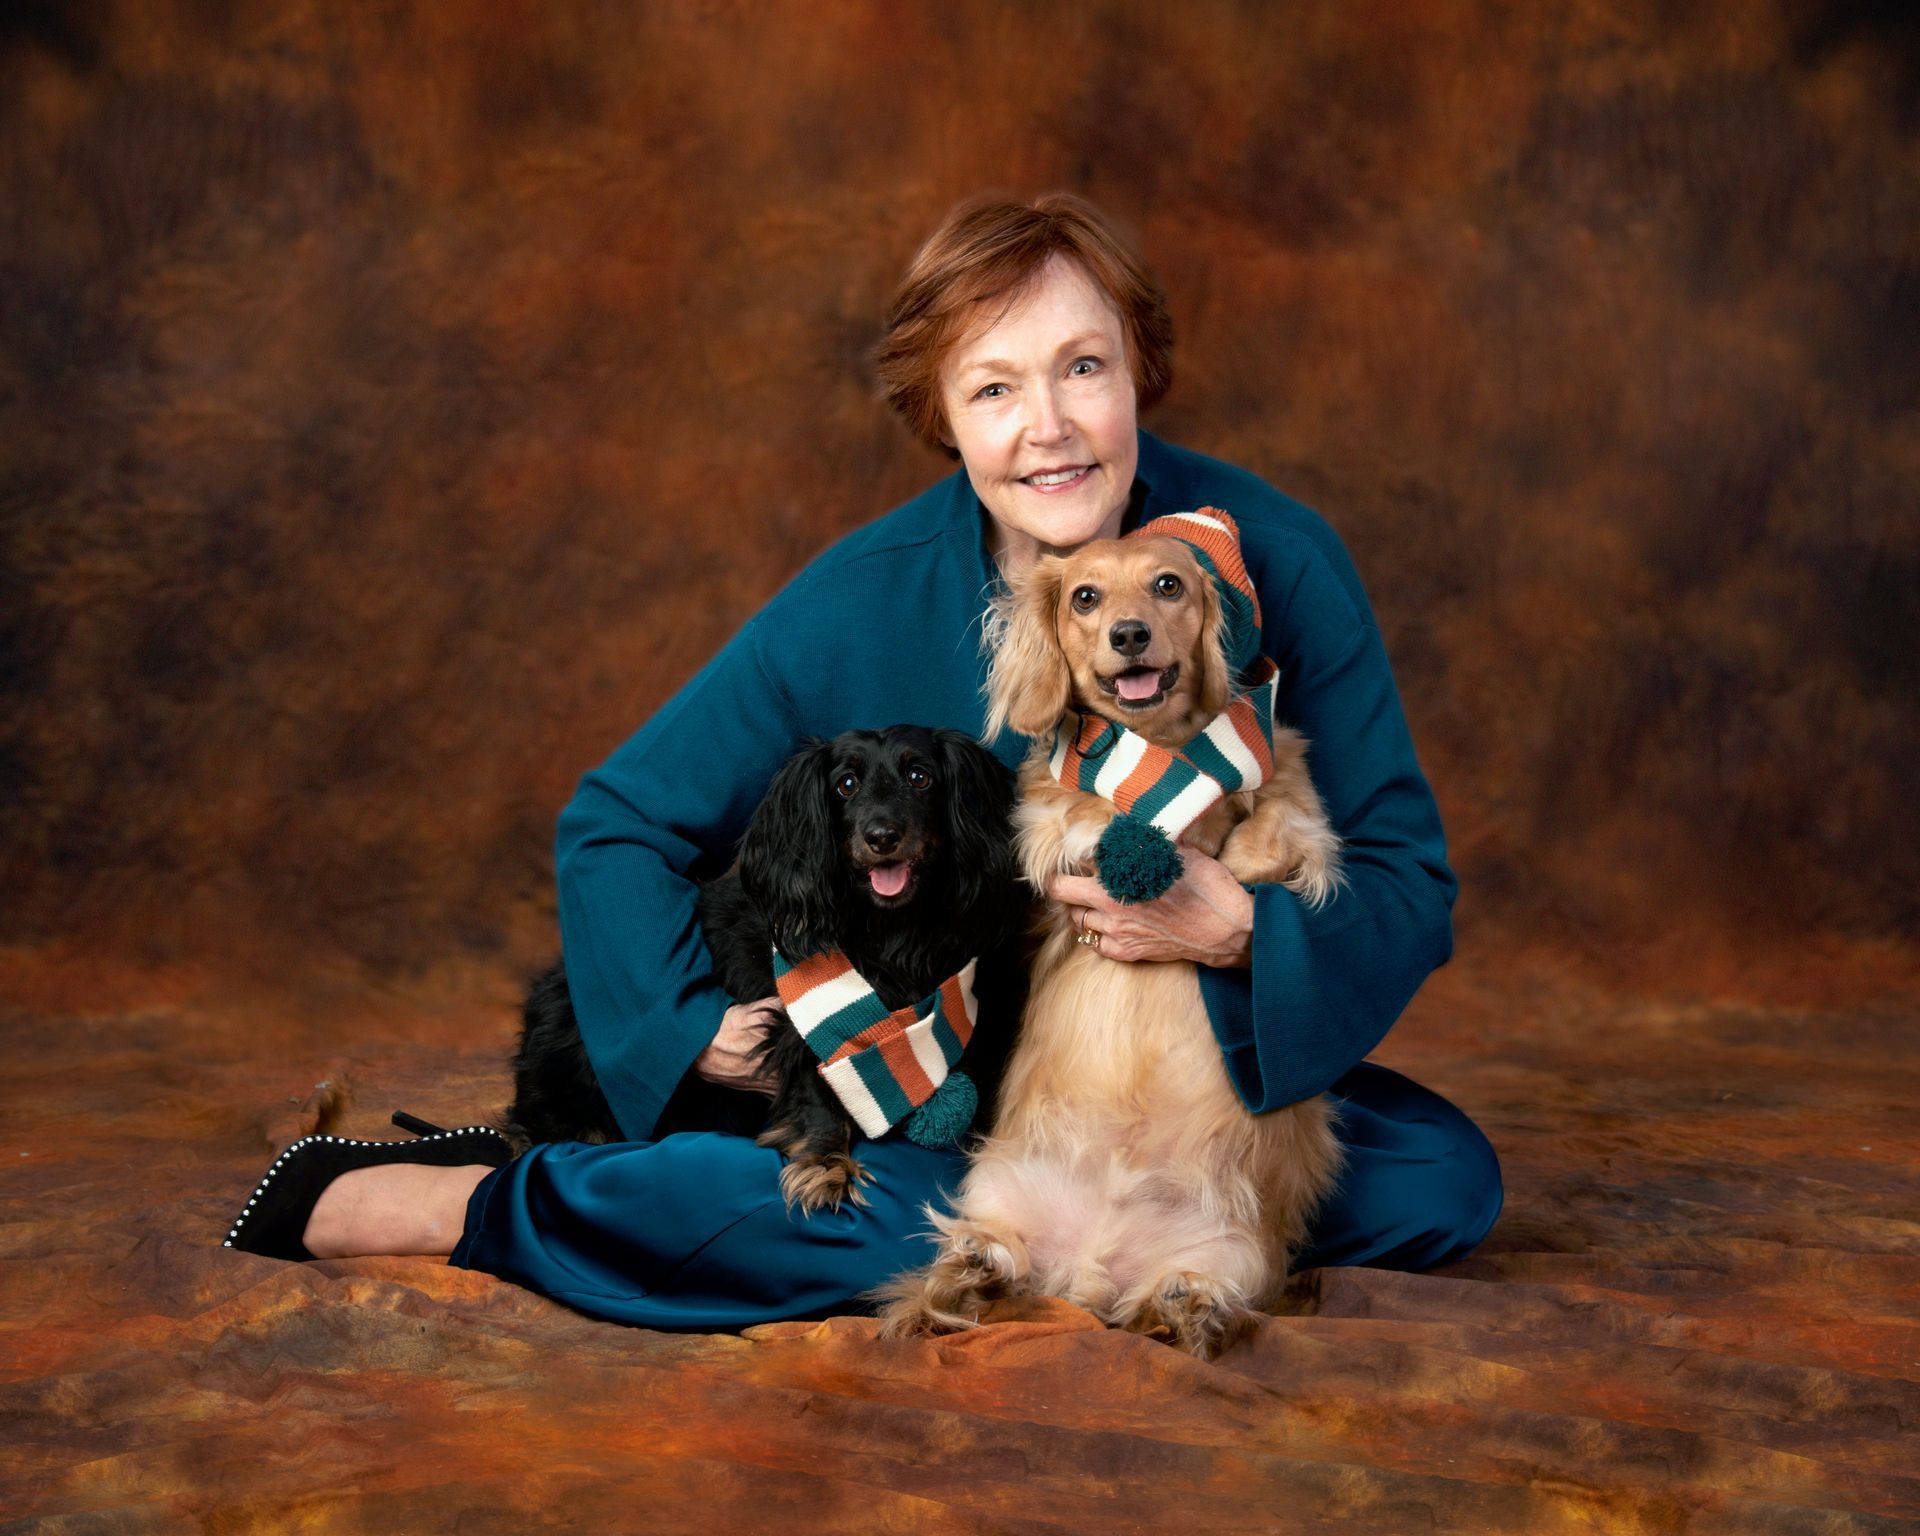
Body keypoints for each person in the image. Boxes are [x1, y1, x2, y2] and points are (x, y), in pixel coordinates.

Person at [226, 194, 1503, 1328]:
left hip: (1194, 1074)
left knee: (1444, 1178)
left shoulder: (1274, 558)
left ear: (1139, 373)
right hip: (948, 1087)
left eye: (1083, 369)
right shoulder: (856, 600)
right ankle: (474, 1205)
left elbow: (1403, 878)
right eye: (994, 388)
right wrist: (684, 1032)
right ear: (942, 416)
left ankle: (1070, 1238)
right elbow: (616, 821)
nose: (1049, 429)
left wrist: (1237, 932)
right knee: (867, 1215)